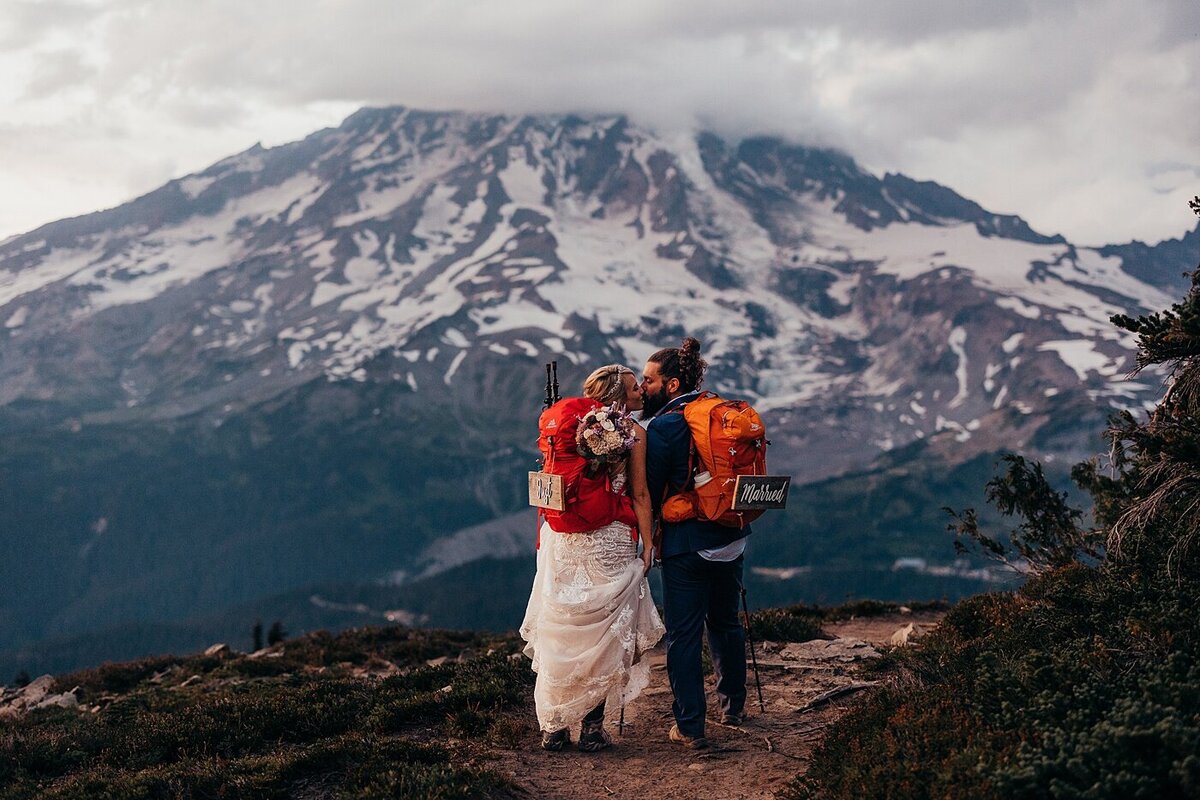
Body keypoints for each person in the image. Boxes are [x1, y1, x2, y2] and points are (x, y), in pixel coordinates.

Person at [520, 364, 665, 752]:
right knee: (602, 634)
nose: (641, 396)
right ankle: (590, 730)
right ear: (619, 396)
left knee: (561, 630)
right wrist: (649, 542)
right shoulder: (632, 433)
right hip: (610, 537)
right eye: (635, 390)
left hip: (562, 539)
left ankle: (553, 726)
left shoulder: (566, 428)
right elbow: (639, 494)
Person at [643, 337, 749, 750]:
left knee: (683, 635)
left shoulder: (666, 426)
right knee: (724, 622)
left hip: (688, 544)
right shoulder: (722, 412)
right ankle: (733, 706)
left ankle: (690, 726)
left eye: (649, 380)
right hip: (733, 535)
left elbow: (650, 492)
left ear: (671, 385)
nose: (645, 388)